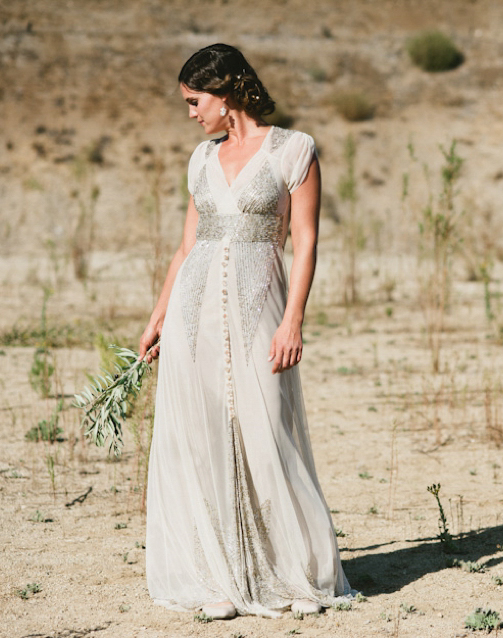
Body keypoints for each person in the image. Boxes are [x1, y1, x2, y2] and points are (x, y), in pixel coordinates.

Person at [137, 43, 351, 620]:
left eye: (194, 100)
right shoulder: (200, 160)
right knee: (204, 440)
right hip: (193, 313)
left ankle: (300, 575)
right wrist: (158, 315)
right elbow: (188, 245)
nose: (190, 113)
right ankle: (221, 579)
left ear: (226, 90)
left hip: (261, 310)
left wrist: (294, 319)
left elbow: (304, 241)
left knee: (268, 432)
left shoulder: (293, 150)